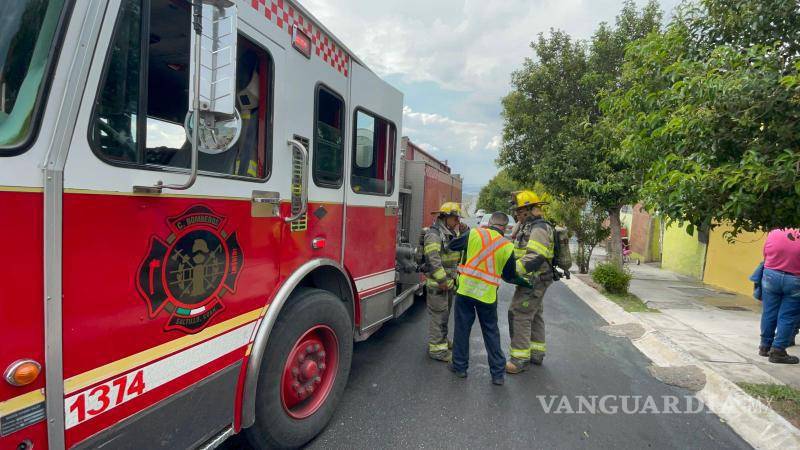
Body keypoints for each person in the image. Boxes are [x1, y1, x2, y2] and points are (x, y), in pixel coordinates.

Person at [447, 212, 531, 385]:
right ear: (505, 228)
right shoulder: (507, 246)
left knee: (462, 329)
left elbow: (452, 245)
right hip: (487, 296)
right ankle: (498, 374)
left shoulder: (474, 233)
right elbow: (509, 276)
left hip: (466, 291)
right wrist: (524, 282)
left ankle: (460, 367)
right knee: (491, 332)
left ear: (489, 223)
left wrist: (465, 234)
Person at [506, 190, 555, 374]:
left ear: (529, 209)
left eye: (519, 211)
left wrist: (513, 270)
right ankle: (536, 353)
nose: (517, 214)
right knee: (534, 313)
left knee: (519, 313)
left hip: (535, 279)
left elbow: (536, 256)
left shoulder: (539, 228)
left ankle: (519, 359)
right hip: (534, 278)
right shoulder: (529, 226)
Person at [422, 202, 465, 362]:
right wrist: (442, 280)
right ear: (445, 218)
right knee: (438, 316)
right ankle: (437, 350)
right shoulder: (434, 235)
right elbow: (433, 259)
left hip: (447, 283)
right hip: (438, 284)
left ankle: (442, 340)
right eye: (455, 218)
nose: (458, 222)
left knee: (444, 315)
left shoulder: (449, 232)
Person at [759, 228, 800, 364]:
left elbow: (765, 254)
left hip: (771, 275)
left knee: (769, 312)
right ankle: (778, 351)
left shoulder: (775, 232)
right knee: (788, 316)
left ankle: (765, 346)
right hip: (795, 280)